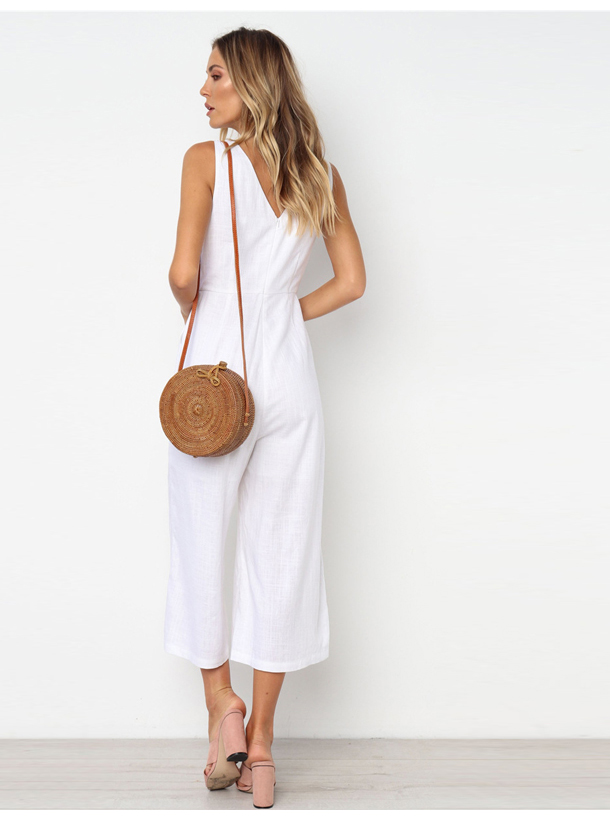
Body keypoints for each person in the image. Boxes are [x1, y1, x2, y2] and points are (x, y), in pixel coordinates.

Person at [164, 27, 366, 808]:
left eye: (216, 74)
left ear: (250, 82)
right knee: (282, 552)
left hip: (213, 384)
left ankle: (222, 707)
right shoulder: (319, 174)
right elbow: (351, 282)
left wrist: (201, 304)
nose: (204, 89)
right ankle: (264, 749)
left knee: (201, 538)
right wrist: (280, 316)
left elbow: (184, 274)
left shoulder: (203, 161)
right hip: (290, 380)